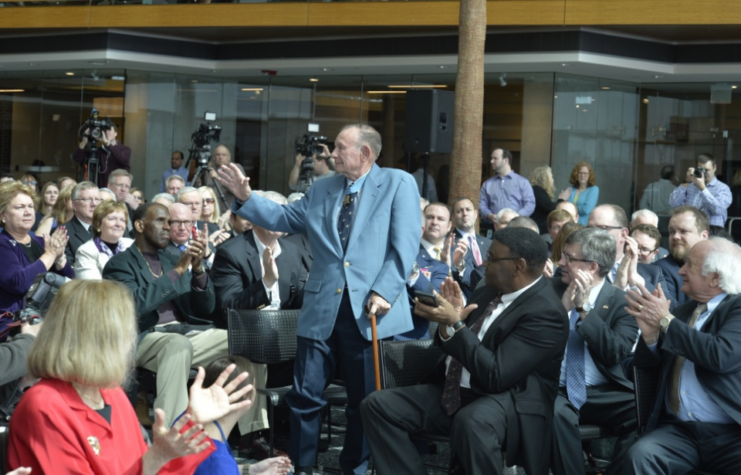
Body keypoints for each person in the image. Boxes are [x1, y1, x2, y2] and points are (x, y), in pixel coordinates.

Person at [217, 123, 420, 475]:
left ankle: (353, 468)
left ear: (365, 153)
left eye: (340, 148)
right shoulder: (323, 187)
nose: (330, 155)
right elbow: (284, 217)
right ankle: (303, 466)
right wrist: (246, 198)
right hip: (321, 307)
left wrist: (385, 291)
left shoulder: (397, 183)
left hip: (370, 309)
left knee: (363, 401)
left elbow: (405, 246)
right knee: (304, 396)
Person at [361, 227, 569, 475]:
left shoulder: (546, 312)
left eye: (491, 259)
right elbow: (452, 345)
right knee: (378, 405)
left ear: (519, 266)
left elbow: (496, 375)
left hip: (510, 401)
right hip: (456, 391)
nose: (482, 265)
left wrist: (457, 325)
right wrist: (449, 323)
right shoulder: (487, 288)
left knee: (472, 421)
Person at [6, 278, 253, 475]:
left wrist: (192, 424)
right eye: (126, 331)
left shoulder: (111, 394)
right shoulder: (45, 407)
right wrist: (157, 456)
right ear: (96, 340)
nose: (131, 340)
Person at [102, 203, 258, 435]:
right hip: (145, 336)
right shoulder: (120, 264)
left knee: (247, 340)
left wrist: (197, 272)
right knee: (177, 344)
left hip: (185, 333)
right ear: (140, 225)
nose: (168, 227)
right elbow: (133, 306)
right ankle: (171, 434)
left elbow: (206, 308)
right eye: (161, 221)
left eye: (170, 222)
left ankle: (251, 431)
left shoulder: (171, 258)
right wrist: (178, 271)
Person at [610, 238, 741, 475]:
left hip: (732, 434)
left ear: (714, 277)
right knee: (640, 457)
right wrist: (650, 338)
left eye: (689, 265)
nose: (680, 271)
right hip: (680, 432)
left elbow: (721, 356)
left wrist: (664, 320)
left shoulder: (737, 308)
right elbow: (648, 371)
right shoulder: (684, 311)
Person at [550, 228, 638, 475]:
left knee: (644, 410)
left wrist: (585, 309)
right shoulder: (549, 290)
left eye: (569, 257)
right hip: (555, 387)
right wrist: (561, 309)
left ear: (592, 267)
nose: (560, 262)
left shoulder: (623, 302)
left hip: (600, 392)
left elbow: (615, 353)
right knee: (557, 413)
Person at [179, 355, 292, 475]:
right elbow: (218, 469)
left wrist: (252, 469)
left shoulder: (186, 422)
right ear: (247, 395)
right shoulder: (218, 460)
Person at [0, 182, 74, 340]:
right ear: (3, 215)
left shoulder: (41, 242)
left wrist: (60, 258)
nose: (27, 212)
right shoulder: (2, 244)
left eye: (30, 206)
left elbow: (70, 282)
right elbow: (18, 282)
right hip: (13, 326)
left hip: (47, 319)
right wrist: (50, 255)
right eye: (20, 207)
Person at [587, 204, 665, 294]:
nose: (592, 234)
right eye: (589, 229)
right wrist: (616, 287)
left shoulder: (653, 273)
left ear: (623, 234)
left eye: (602, 229)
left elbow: (670, 307)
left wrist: (636, 281)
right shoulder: (580, 268)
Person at [396, 212, 450, 340]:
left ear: (420, 230)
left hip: (407, 343)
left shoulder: (437, 267)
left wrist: (412, 270)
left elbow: (434, 301)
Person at [653, 205, 709, 312]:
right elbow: (672, 316)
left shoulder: (721, 269)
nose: (675, 237)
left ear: (704, 236)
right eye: (672, 232)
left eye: (683, 231)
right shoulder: (658, 271)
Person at [74, 200, 134, 280]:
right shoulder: (86, 251)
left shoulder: (132, 245)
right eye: (112, 219)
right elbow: (93, 287)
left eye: (122, 220)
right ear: (98, 224)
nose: (118, 224)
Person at [669, 153, 732, 227]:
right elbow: (673, 203)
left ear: (714, 168)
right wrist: (687, 181)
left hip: (712, 230)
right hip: (691, 229)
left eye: (707, 170)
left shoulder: (722, 188)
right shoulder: (690, 185)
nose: (704, 173)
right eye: (701, 169)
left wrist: (703, 188)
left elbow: (718, 210)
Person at [479, 148, 535, 225]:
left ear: (505, 160)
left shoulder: (522, 182)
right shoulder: (487, 184)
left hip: (516, 226)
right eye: (491, 158)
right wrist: (489, 215)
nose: (491, 161)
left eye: (495, 158)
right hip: (494, 226)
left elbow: (530, 204)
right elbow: (481, 204)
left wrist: (516, 217)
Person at [73, 122, 131, 188]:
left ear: (116, 133)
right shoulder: (99, 151)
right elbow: (77, 158)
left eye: (109, 130)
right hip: (102, 189)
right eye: (104, 130)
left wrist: (107, 143)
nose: (106, 132)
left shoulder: (125, 149)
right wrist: (84, 141)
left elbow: (123, 159)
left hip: (120, 189)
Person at [194, 144, 245, 208]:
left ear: (229, 157)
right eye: (218, 155)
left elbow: (240, 189)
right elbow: (202, 190)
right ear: (214, 157)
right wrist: (198, 184)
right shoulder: (208, 169)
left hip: (228, 209)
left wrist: (218, 178)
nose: (220, 157)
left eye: (224, 155)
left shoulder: (235, 168)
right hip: (211, 209)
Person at [63, 181, 100, 265]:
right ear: (74, 205)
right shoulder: (64, 232)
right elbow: (68, 268)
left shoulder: (107, 228)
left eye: (97, 199)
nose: (94, 204)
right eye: (87, 199)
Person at [559, 161, 599, 226]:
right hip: (570, 225)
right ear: (576, 175)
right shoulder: (571, 189)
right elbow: (564, 210)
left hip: (584, 227)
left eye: (585, 173)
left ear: (589, 175)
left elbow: (586, 209)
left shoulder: (594, 189)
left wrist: (570, 208)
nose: (582, 175)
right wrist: (561, 200)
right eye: (580, 173)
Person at [530, 165, 560, 234]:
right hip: (540, 230)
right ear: (545, 178)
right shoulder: (537, 190)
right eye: (551, 177)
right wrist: (561, 200)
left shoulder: (537, 190)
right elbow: (550, 207)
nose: (553, 180)